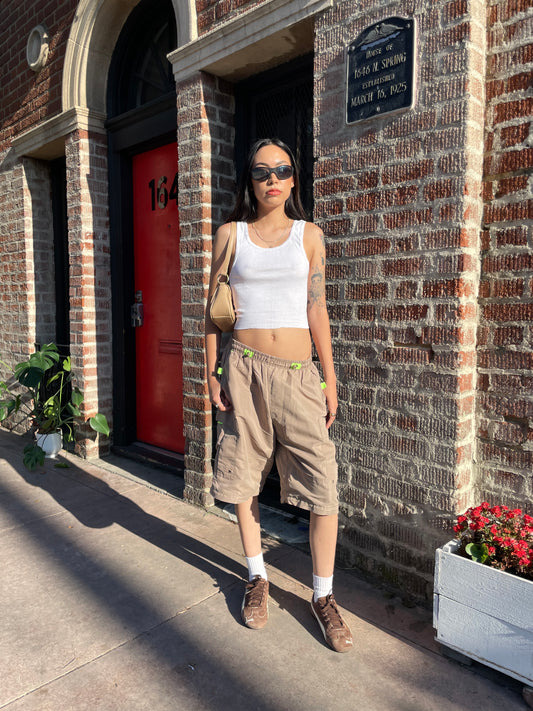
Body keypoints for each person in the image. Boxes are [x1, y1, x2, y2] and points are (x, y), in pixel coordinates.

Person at [205, 138, 353, 653]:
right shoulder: (231, 235)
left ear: (294, 180)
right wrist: (212, 372)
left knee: (323, 485)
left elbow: (317, 311)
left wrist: (329, 379)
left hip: (297, 374)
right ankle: (256, 576)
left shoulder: (309, 237)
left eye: (281, 170)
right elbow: (211, 311)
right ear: (250, 180)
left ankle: (323, 597)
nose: (272, 179)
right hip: (242, 371)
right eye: (262, 171)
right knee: (244, 476)